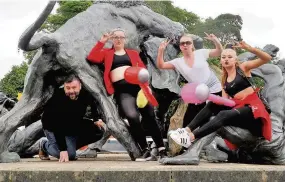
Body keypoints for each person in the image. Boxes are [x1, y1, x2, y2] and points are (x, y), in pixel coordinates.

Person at [168, 41, 272, 149]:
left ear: (235, 59)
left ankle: (190, 138)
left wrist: (250, 48)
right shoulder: (224, 80)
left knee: (223, 114)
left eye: (230, 57)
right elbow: (225, 102)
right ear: (221, 60)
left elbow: (267, 58)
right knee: (212, 105)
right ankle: (186, 131)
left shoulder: (243, 68)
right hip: (239, 108)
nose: (226, 59)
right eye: (224, 57)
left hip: (253, 109)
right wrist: (207, 96)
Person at [86, 28, 167, 161]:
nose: (118, 39)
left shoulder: (133, 53)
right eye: (116, 37)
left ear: (125, 39)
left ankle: (161, 149)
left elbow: (142, 70)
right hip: (122, 91)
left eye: (121, 37)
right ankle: (144, 149)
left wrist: (147, 87)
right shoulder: (107, 53)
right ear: (112, 39)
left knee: (150, 116)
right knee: (132, 116)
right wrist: (102, 42)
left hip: (139, 88)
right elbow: (92, 57)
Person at [157, 33, 223, 128]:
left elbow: (219, 52)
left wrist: (216, 41)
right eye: (182, 43)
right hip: (198, 93)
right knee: (188, 121)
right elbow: (161, 65)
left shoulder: (201, 53)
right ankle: (188, 140)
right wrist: (161, 51)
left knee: (210, 119)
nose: (185, 45)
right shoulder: (178, 62)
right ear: (180, 46)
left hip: (215, 89)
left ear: (192, 45)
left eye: (188, 43)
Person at [39, 74, 105, 162]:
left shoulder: (86, 93)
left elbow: (93, 104)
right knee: (70, 155)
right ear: (64, 86)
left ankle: (70, 148)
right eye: (68, 88)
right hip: (52, 126)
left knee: (98, 130)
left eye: (74, 87)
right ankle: (44, 144)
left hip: (73, 124)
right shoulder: (58, 97)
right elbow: (58, 125)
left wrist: (96, 119)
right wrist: (63, 150)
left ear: (80, 85)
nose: (71, 91)